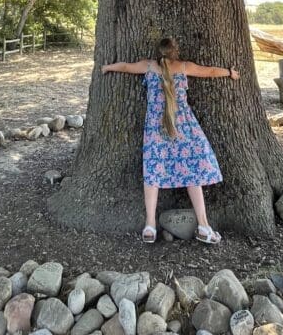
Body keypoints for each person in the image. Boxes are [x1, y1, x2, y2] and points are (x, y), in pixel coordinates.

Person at [101, 36, 239, 245]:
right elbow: (209, 71)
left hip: (156, 129)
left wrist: (107, 67)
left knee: (153, 170)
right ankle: (203, 226)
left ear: (158, 51)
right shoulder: (184, 67)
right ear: (176, 51)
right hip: (183, 128)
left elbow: (127, 67)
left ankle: (149, 226)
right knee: (193, 170)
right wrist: (230, 72)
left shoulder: (148, 66)